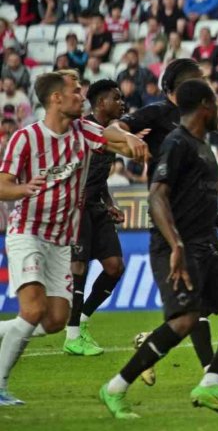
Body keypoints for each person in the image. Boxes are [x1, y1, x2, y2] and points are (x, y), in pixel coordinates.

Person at [99, 80, 218, 418]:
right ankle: (115, 387)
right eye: (216, 104)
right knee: (185, 320)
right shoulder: (175, 143)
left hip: (205, 247)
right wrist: (175, 244)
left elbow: (199, 200)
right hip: (177, 248)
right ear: (205, 105)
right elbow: (157, 195)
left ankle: (210, 384)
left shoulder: (202, 147)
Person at [0, 70, 148, 406]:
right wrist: (24, 188)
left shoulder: (83, 131)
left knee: (53, 321)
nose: (82, 97)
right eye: (76, 91)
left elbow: (110, 134)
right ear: (56, 98)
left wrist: (132, 141)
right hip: (28, 231)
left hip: (60, 240)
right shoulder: (26, 138)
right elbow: (2, 184)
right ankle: (0, 385)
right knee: (33, 308)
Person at [63, 80, 128, 357]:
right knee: (79, 267)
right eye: (117, 98)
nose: (122, 103)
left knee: (115, 267)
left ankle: (84, 319)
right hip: (76, 208)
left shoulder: (109, 135)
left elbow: (98, 177)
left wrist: (110, 203)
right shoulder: (82, 132)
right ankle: (72, 335)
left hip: (97, 208)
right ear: (101, 103)